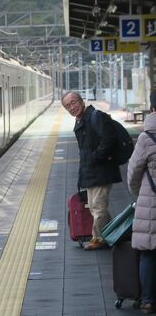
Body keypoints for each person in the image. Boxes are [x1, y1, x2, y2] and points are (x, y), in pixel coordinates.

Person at [61, 91, 122, 250]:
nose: (72, 107)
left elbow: (109, 140)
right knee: (96, 206)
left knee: (98, 206)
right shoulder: (80, 121)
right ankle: (117, 233)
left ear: (81, 101)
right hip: (91, 171)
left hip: (102, 170)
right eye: (68, 106)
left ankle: (98, 239)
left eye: (73, 102)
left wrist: (96, 158)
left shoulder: (96, 116)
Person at [126, 89, 156, 314]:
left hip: (151, 201)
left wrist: (139, 194)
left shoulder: (148, 137)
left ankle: (147, 300)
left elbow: (134, 172)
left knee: (148, 251)